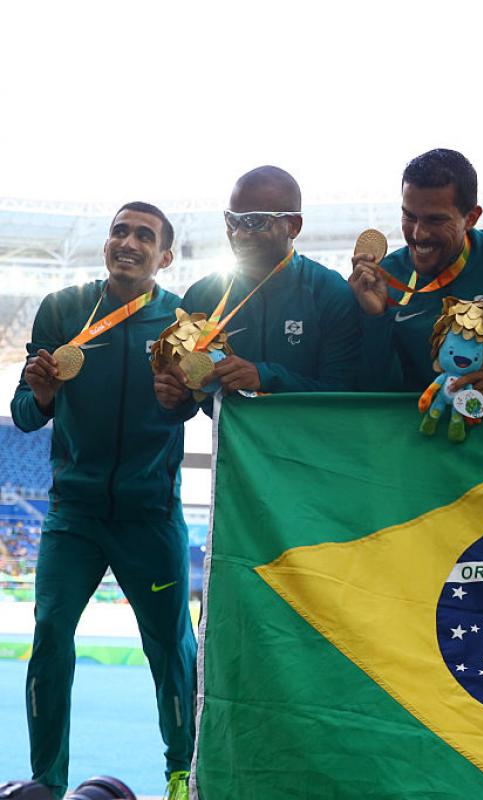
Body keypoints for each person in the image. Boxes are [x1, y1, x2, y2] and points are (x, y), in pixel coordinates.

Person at [10, 203, 194, 800]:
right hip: (75, 515)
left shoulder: (182, 323)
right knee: (50, 635)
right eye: (120, 230)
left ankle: (181, 773)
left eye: (145, 235)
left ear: (164, 256)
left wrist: (181, 400)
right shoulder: (63, 310)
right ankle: (47, 780)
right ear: (107, 243)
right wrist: (39, 396)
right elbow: (22, 413)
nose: (129, 242)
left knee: (171, 647)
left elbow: (201, 406)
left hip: (151, 515)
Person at [154, 166, 360, 413]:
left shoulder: (329, 292)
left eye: (254, 221)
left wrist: (266, 377)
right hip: (234, 450)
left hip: (310, 448)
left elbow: (343, 395)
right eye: (232, 221)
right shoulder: (203, 295)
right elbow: (186, 405)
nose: (238, 234)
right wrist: (174, 398)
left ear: (293, 225)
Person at [349, 149, 483, 399]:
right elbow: (374, 391)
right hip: (418, 428)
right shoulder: (381, 280)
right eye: (409, 216)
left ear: (471, 217)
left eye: (435, 220)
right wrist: (375, 318)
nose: (419, 234)